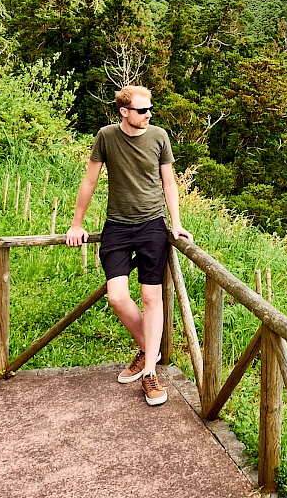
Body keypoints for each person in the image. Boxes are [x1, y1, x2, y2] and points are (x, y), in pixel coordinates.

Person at [66, 84, 193, 406]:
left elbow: (169, 182)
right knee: (118, 297)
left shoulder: (159, 136)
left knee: (151, 296)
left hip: (152, 225)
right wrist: (76, 224)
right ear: (124, 112)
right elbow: (89, 181)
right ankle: (151, 346)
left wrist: (176, 224)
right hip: (117, 226)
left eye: (150, 109)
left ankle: (150, 370)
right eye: (141, 110)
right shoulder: (106, 136)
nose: (148, 115)